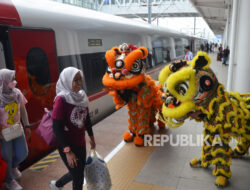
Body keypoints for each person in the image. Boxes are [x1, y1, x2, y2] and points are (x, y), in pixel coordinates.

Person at [50, 67, 96, 190]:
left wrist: (91, 137)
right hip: (67, 144)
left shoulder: (81, 96)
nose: (79, 83)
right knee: (78, 177)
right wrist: (68, 152)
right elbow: (57, 128)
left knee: (79, 171)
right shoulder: (61, 99)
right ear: (67, 81)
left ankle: (57, 185)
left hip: (80, 142)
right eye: (75, 80)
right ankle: (57, 185)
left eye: (80, 79)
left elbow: (86, 119)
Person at [0, 69, 31, 190]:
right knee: (6, 156)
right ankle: (9, 181)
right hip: (4, 134)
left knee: (23, 153)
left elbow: (22, 109)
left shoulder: (17, 93)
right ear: (4, 81)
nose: (14, 81)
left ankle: (13, 167)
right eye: (12, 79)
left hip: (18, 129)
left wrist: (27, 125)